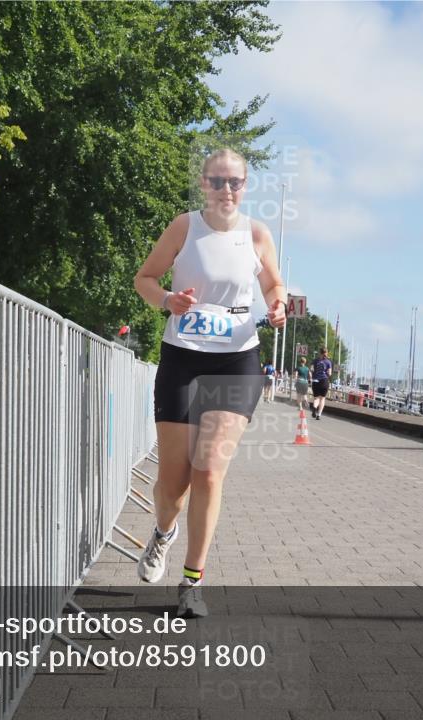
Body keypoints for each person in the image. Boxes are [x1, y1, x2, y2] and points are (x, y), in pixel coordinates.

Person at [132, 148, 286, 617]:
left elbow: (274, 286)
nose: (225, 190)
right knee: (172, 486)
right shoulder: (184, 227)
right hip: (183, 356)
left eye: (234, 182)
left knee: (209, 470)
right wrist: (166, 300)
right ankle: (162, 532)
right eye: (217, 181)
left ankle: (192, 582)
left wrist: (277, 306)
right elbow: (145, 278)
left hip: (237, 359)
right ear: (203, 184)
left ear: (245, 186)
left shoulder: (257, 234)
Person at [310, 347, 333, 420]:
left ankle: (314, 407)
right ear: (326, 353)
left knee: (316, 398)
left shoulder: (315, 361)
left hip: (316, 380)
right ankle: (319, 415)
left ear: (320, 353)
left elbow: (311, 369)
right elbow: (329, 373)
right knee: (322, 399)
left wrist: (313, 375)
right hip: (324, 381)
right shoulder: (328, 362)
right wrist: (326, 373)